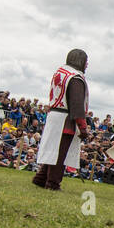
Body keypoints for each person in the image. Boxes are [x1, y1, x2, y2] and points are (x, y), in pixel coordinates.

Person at [32, 49, 90, 190]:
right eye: (86, 61)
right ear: (80, 61)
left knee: (54, 150)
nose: (87, 65)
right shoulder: (75, 78)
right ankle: (52, 183)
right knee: (60, 153)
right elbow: (77, 104)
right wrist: (82, 127)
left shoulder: (61, 73)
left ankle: (41, 178)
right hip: (65, 119)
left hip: (54, 116)